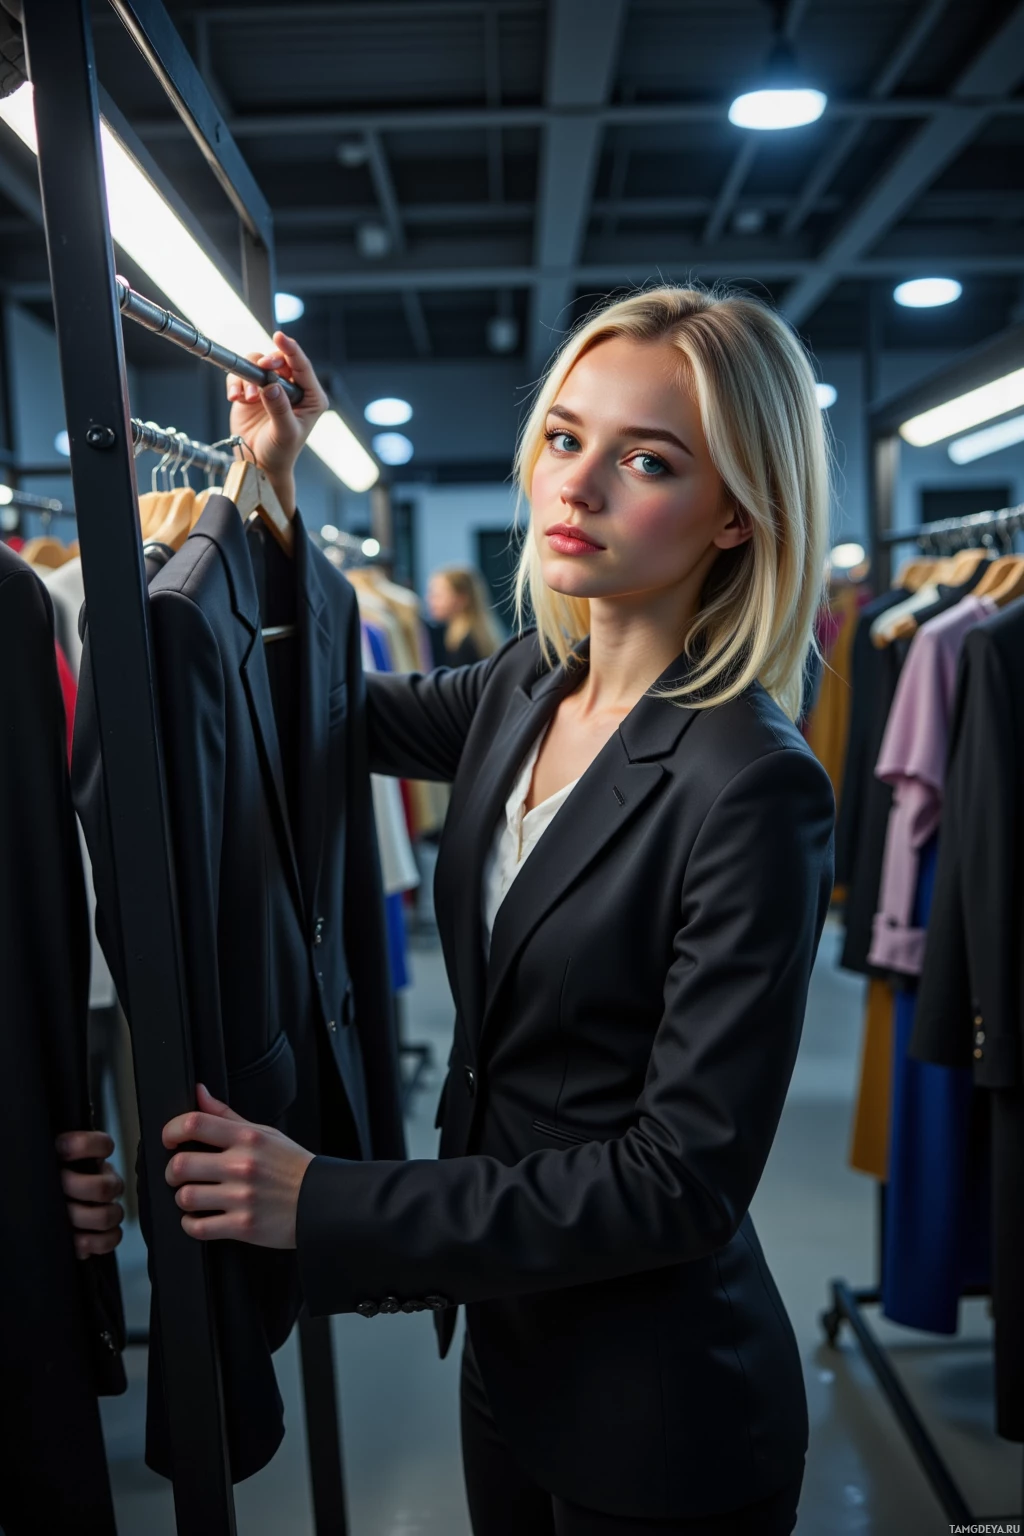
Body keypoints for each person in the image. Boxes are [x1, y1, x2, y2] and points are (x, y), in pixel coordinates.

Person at [163, 285, 835, 1535]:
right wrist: (270, 492)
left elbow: (678, 1181)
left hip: (662, 1409)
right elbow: (329, 708)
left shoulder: (752, 782)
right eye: (566, 438)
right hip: (508, 1352)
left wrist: (327, 1197)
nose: (576, 487)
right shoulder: (533, 678)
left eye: (646, 460)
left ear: (738, 513)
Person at [426, 565, 504, 667]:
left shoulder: (470, 645)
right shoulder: (454, 637)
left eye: (437, 596)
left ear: (461, 599)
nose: (429, 600)